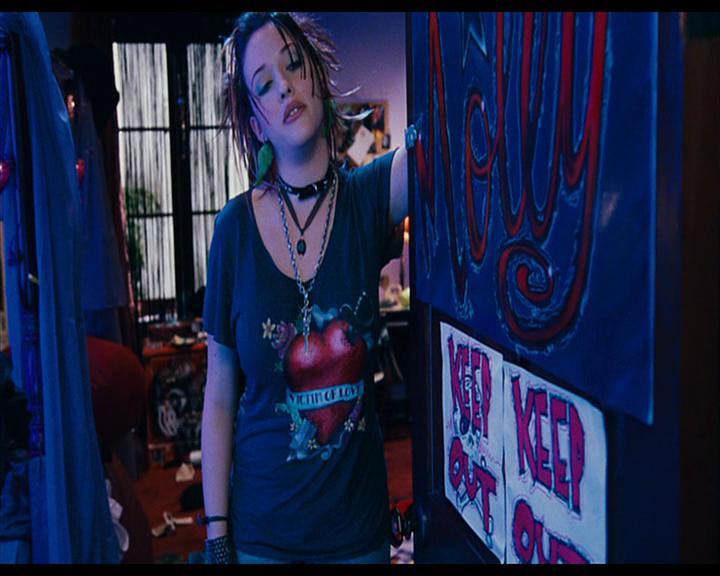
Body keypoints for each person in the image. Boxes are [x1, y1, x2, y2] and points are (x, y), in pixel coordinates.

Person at [200, 12, 408, 564]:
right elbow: (219, 396)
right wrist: (217, 534)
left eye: (294, 65)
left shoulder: (367, 199)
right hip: (263, 537)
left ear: (318, 75)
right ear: (257, 124)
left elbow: (446, 138)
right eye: (265, 83)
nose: (285, 87)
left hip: (357, 535)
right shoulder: (234, 230)